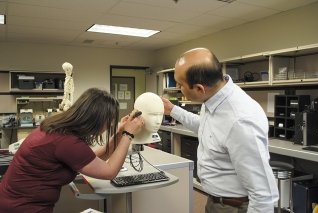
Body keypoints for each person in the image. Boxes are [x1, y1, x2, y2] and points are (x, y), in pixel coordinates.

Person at [161, 48, 279, 213]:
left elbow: (263, 194)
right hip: (216, 201)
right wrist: (172, 109)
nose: (178, 88)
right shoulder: (213, 98)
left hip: (235, 208)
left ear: (199, 89)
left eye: (180, 85)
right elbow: (205, 127)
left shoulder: (240, 121)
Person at [0, 88, 144, 213]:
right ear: (97, 119)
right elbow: (109, 172)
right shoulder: (65, 141)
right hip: (22, 208)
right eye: (110, 120)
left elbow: (91, 159)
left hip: (15, 202)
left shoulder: (59, 129)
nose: (110, 124)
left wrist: (119, 132)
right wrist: (128, 135)